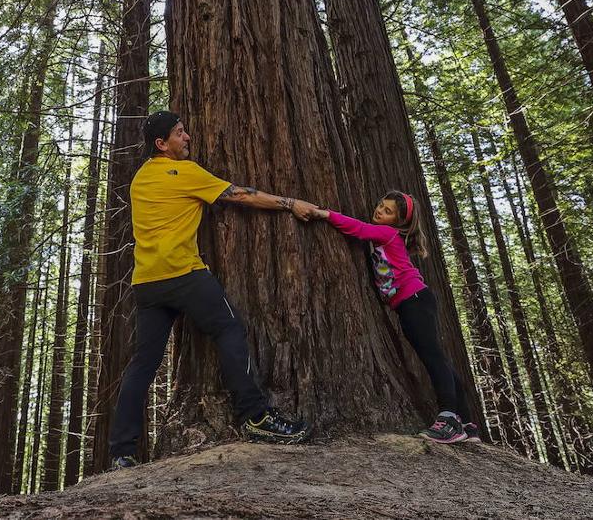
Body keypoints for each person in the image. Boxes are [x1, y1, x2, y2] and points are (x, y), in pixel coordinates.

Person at [107, 110, 311, 470]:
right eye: (180, 133)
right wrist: (291, 203)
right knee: (228, 328)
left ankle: (121, 452)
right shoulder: (186, 173)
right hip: (184, 274)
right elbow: (242, 196)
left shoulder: (140, 179)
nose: (187, 138)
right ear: (162, 144)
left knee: (143, 363)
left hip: (147, 283)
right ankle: (257, 416)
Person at [289, 190, 480, 444]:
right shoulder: (388, 236)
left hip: (414, 301)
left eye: (388, 211)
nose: (380, 210)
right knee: (437, 357)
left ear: (398, 222)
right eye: (381, 205)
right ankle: (467, 424)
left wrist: (324, 214)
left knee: (433, 358)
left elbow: (358, 229)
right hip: (414, 302)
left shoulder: (387, 234)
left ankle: (449, 421)